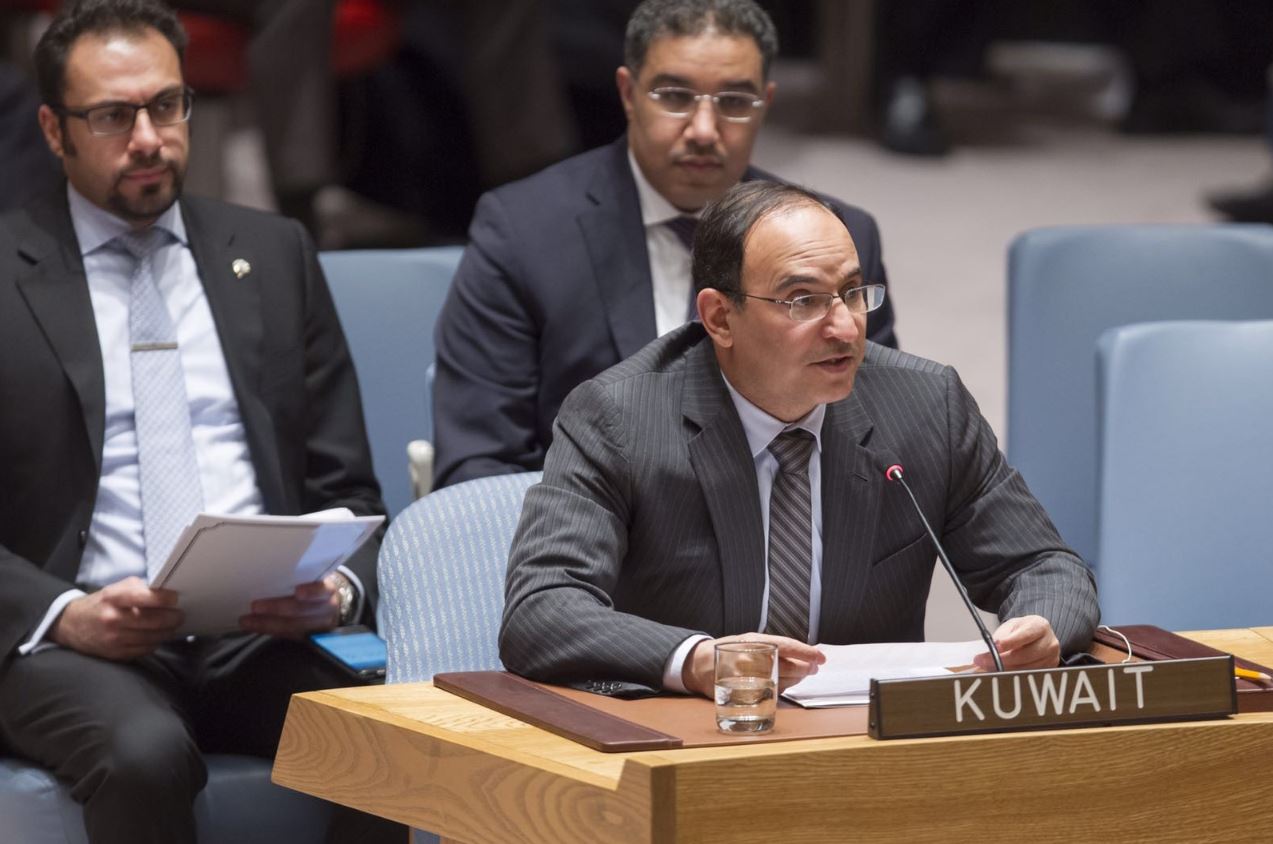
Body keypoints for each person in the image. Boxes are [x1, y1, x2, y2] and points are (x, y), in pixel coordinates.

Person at [0, 2, 397, 841]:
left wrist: (334, 590)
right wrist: (64, 612)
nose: (148, 138)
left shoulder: (274, 254)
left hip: (252, 633)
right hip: (75, 641)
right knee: (143, 752)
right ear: (54, 130)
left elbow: (349, 490)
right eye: (113, 116)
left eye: (166, 105)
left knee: (388, 733)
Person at [498, 180, 1099, 697]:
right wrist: (701, 660)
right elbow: (541, 609)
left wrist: (1039, 625)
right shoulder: (619, 417)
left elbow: (1044, 565)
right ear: (719, 317)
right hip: (693, 738)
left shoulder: (925, 406)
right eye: (803, 300)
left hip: (867, 745)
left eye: (853, 293)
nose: (844, 328)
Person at [432, 0, 899, 489]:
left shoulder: (839, 240)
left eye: (735, 102)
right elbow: (479, 468)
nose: (704, 130)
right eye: (675, 96)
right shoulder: (523, 233)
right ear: (628, 94)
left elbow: (877, 443)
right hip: (585, 528)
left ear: (765, 102)